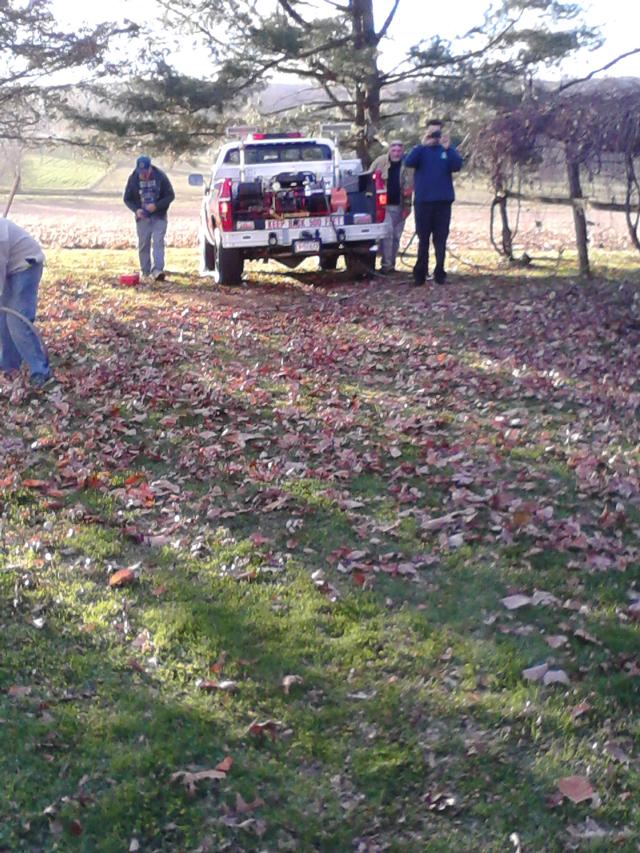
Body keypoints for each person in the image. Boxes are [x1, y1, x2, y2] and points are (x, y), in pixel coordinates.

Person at [404, 119, 463, 286]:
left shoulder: (447, 150)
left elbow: (457, 165)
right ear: (427, 132)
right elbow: (408, 162)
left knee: (441, 239)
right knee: (423, 238)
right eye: (432, 133)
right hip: (423, 201)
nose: (435, 137)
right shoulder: (421, 151)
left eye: (438, 133)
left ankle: (440, 272)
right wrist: (423, 145)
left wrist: (448, 148)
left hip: (443, 201)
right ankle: (420, 273)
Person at [0, 218, 51, 387]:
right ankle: (9, 364)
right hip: (10, 265)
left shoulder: (0, 236)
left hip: (26, 265)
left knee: (17, 320)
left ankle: (40, 370)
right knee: (3, 318)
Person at [123, 155, 175, 281]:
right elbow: (127, 198)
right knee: (144, 243)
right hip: (143, 217)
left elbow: (170, 196)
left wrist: (156, 206)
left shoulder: (160, 177)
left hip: (159, 215)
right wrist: (136, 210)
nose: (143, 175)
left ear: (150, 168)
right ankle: (145, 271)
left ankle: (158, 270)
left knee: (158, 241)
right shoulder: (133, 178)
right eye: (141, 172)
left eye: (146, 172)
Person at [370, 140, 414, 274]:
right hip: (384, 206)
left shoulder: (408, 164)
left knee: (396, 236)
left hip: (401, 205)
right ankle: (386, 265)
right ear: (389, 150)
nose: (396, 153)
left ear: (403, 151)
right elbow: (368, 178)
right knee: (387, 234)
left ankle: (392, 265)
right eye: (394, 150)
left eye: (399, 151)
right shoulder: (380, 162)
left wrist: (407, 207)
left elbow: (410, 186)